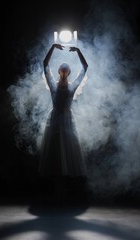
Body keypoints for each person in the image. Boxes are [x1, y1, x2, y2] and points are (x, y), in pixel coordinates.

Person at [38, 43, 88, 203]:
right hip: (55, 121)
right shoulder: (53, 86)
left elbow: (85, 67)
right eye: (62, 69)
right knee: (56, 155)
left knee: (66, 155)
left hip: (66, 121)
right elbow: (45, 65)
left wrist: (78, 51)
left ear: (68, 73)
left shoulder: (72, 86)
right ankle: (58, 194)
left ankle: (64, 194)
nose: (64, 72)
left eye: (66, 70)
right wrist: (52, 47)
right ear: (59, 72)